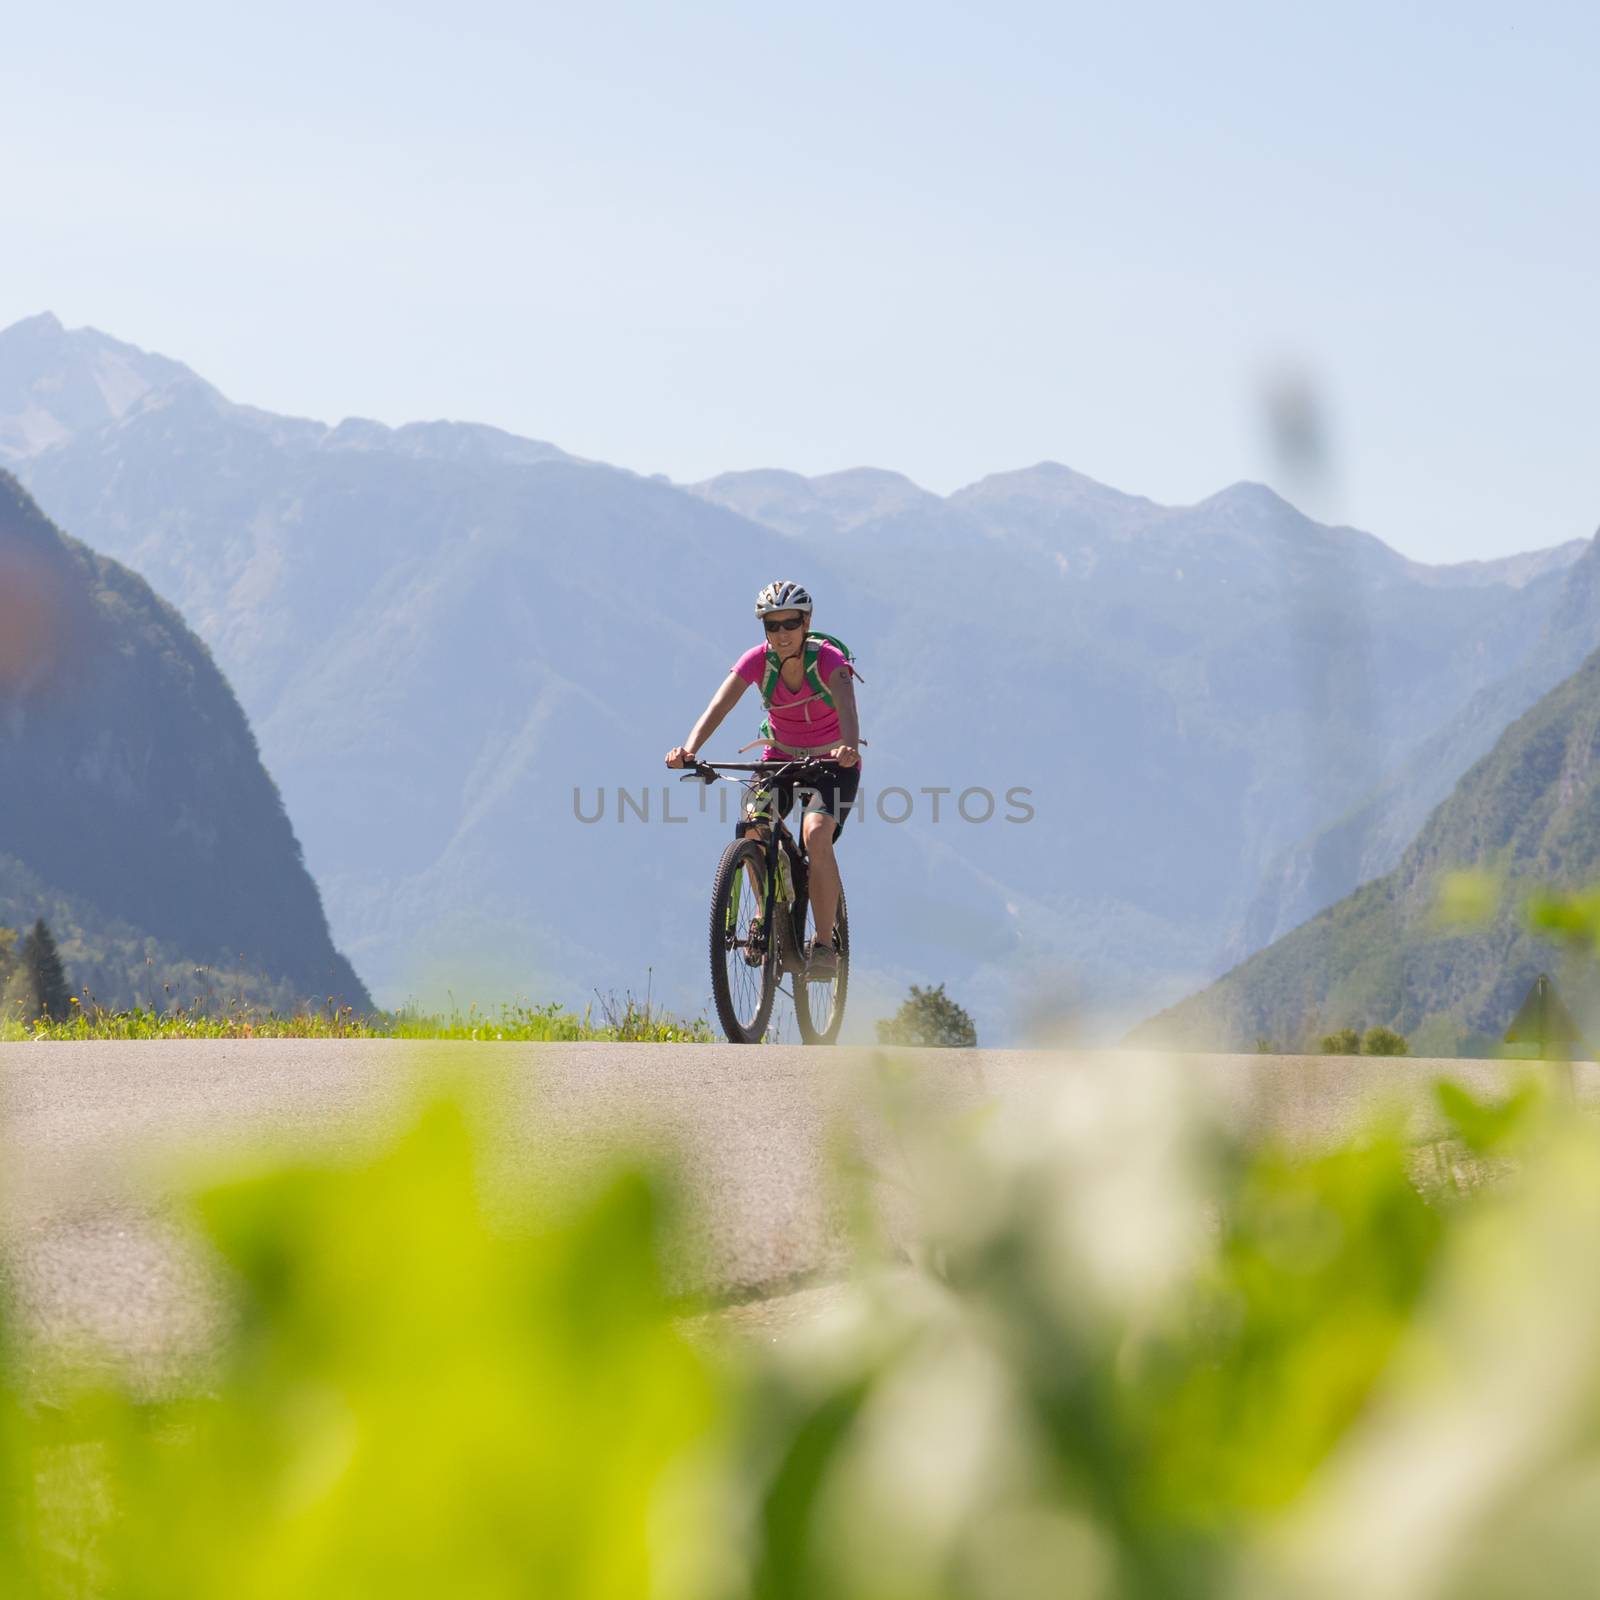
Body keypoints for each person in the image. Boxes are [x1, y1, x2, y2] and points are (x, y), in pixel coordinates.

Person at [665, 580, 861, 976]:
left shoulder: (829, 662)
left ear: (806, 622)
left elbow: (847, 706)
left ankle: (823, 944)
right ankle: (765, 911)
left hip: (832, 763)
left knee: (816, 835)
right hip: (779, 758)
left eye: (790, 623)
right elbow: (718, 707)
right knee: (754, 826)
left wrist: (849, 747)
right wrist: (689, 749)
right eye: (772, 625)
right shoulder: (757, 661)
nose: (782, 632)